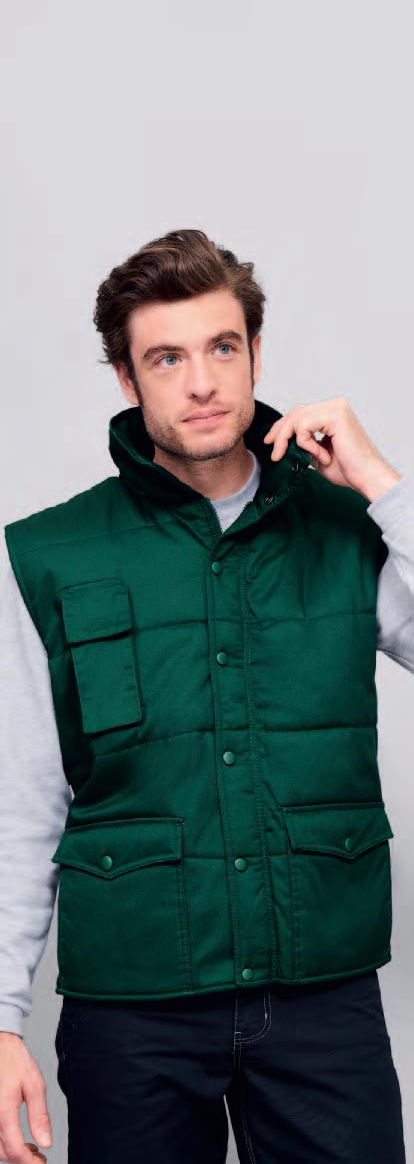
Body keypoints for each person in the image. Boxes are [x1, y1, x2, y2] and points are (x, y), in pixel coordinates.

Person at [0, 228, 412, 1163]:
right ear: (126, 377)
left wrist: (384, 485)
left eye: (223, 348)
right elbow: (20, 803)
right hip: (132, 1009)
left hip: (323, 999)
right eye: (167, 358)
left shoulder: (348, 528)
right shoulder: (48, 556)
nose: (201, 383)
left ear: (256, 353)